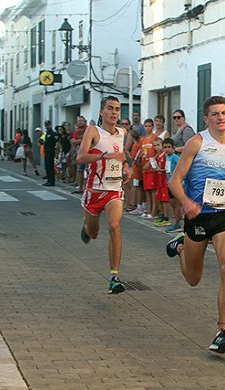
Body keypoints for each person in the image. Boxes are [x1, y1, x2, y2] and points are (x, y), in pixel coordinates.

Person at [165, 95, 225, 354]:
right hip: (198, 216)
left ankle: (222, 332)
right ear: (206, 118)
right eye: (215, 114)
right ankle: (181, 248)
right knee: (193, 278)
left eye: (224, 113)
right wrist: (187, 203)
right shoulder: (196, 143)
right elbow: (174, 181)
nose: (221, 118)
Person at [77, 96, 131, 294]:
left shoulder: (122, 133)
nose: (114, 112)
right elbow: (81, 157)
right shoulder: (93, 131)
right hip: (94, 191)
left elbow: (120, 154)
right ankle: (86, 227)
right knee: (94, 232)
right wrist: (103, 155)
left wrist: (126, 166)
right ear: (101, 112)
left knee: (115, 225)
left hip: (114, 189)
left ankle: (114, 277)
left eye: (117, 109)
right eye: (110, 108)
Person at [139, 119, 159, 219]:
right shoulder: (142, 139)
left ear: (153, 127)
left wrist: (150, 162)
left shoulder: (155, 138)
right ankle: (148, 209)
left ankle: (154, 211)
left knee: (153, 190)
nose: (148, 128)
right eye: (146, 126)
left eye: (150, 126)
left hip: (152, 168)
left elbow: (158, 151)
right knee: (147, 190)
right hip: (144, 168)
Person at [162, 138, 182, 233]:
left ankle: (178, 223)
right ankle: (176, 221)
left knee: (176, 204)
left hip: (175, 184)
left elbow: (181, 168)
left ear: (173, 148)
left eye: (169, 147)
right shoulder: (166, 157)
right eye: (165, 147)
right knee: (172, 204)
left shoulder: (175, 158)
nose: (167, 149)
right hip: (168, 183)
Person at [152, 138, 172, 227]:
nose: (157, 147)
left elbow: (167, 169)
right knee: (160, 198)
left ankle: (166, 217)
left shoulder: (166, 156)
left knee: (165, 199)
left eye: (158, 145)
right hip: (159, 180)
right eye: (155, 145)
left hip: (164, 180)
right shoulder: (159, 155)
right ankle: (163, 215)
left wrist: (161, 170)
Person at [71, 116, 88, 193]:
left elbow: (88, 140)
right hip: (80, 152)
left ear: (85, 121)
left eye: (81, 121)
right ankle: (81, 187)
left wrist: (79, 141)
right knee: (80, 170)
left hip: (88, 152)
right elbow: (73, 141)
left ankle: (87, 187)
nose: (80, 122)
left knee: (88, 170)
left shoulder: (88, 129)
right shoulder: (77, 131)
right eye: (78, 121)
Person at [42, 120, 58, 186]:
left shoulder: (53, 133)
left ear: (51, 125)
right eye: (46, 125)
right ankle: (48, 180)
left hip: (50, 151)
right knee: (47, 166)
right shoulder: (47, 133)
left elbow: (55, 142)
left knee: (50, 166)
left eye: (48, 125)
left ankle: (51, 181)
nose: (47, 126)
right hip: (46, 150)